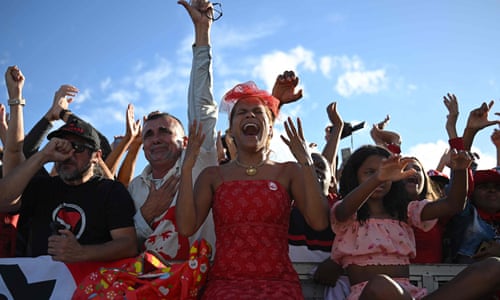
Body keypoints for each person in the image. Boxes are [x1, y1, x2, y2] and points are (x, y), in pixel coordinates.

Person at [176, 80, 329, 299]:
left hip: (278, 285)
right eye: (242, 113)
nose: (250, 116)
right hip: (225, 286)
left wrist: (306, 162)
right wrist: (187, 168)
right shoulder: (212, 176)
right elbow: (186, 226)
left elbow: (319, 222)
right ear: (231, 130)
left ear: (269, 128)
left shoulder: (289, 171)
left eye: (258, 112)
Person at [0, 66, 138, 263]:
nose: (68, 154)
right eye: (63, 146)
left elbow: (128, 245)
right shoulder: (42, 188)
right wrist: (44, 155)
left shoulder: (110, 191)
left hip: (87, 287)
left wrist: (82, 253)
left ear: (96, 156)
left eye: (78, 148)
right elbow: (5, 194)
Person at [331, 144, 500, 299]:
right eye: (370, 172)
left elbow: (453, 205)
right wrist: (379, 177)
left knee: (494, 266)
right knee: (381, 284)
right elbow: (343, 211)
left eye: (386, 173)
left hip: (410, 296)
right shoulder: (347, 212)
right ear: (354, 176)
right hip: (369, 294)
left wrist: (461, 170)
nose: (380, 177)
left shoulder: (406, 212)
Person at [126, 0, 217, 260]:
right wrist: (147, 213)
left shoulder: (199, 162)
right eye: (149, 135)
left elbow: (202, 105)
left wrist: (202, 35)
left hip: (203, 280)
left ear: (186, 140)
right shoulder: (135, 188)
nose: (155, 139)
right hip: (149, 285)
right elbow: (125, 241)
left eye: (164, 131)